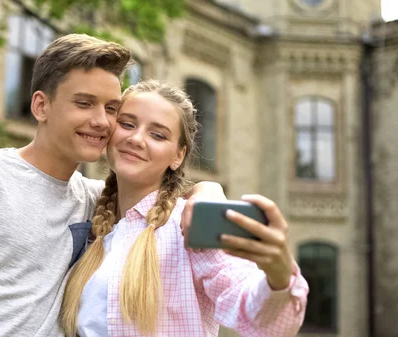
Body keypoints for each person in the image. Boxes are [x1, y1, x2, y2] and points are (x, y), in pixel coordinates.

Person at [0, 34, 225, 337]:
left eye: (111, 108)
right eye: (83, 103)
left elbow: (156, 196)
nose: (100, 120)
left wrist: (207, 192)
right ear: (41, 105)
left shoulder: (94, 199)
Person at [59, 80, 309, 337]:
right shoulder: (88, 211)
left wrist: (278, 275)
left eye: (158, 135)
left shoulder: (188, 226)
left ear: (178, 156)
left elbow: (255, 312)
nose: (136, 139)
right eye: (127, 124)